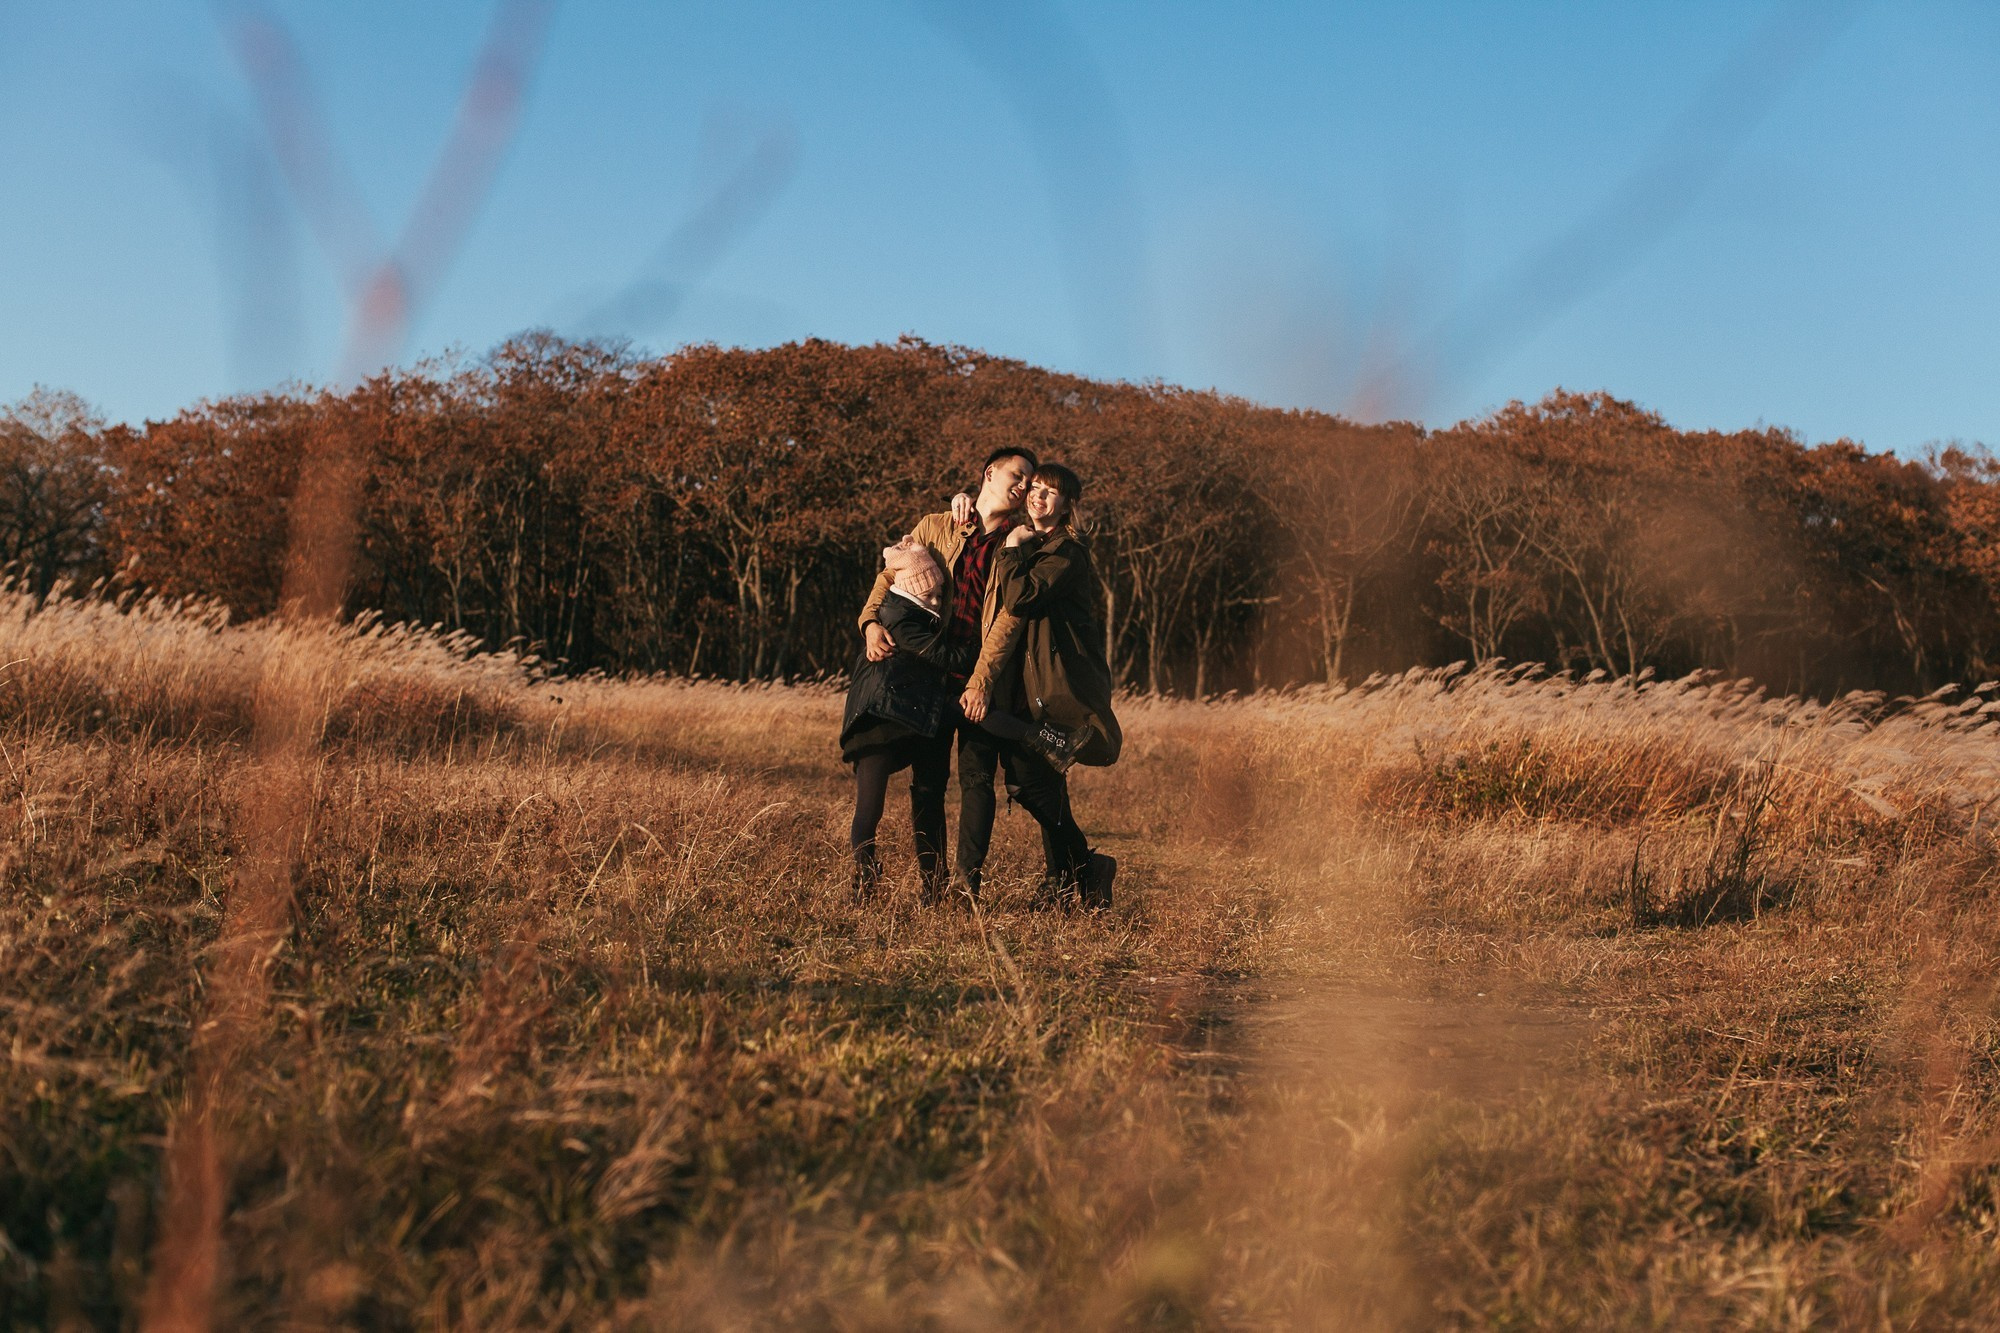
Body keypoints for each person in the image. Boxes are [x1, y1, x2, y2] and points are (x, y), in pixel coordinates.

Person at [854, 447, 1050, 905]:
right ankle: (933, 888)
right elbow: (890, 577)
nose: (1023, 485)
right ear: (990, 474)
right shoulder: (937, 525)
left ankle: (967, 888)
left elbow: (1008, 620)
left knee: (978, 780)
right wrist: (869, 623)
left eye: (1029, 480)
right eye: (1017, 475)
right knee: (928, 784)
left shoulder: (1017, 543)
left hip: (979, 676)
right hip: (924, 676)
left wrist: (981, 680)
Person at [840, 536, 1072, 898]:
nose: (937, 602)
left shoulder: (911, 613)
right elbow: (947, 657)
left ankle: (930, 887)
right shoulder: (900, 618)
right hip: (881, 717)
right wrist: (983, 655)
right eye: (931, 594)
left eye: (938, 594)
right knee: (870, 805)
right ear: (912, 589)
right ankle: (864, 872)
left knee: (925, 783)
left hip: (912, 710)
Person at [959, 462, 1122, 907]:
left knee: (1032, 785)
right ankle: (1073, 877)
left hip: (1057, 682)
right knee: (1037, 784)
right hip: (1033, 680)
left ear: (1068, 504)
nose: (1039, 496)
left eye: (1052, 492)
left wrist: (1011, 546)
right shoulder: (1043, 543)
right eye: (1035, 488)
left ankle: (1076, 874)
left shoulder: (1065, 551)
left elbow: (1021, 596)